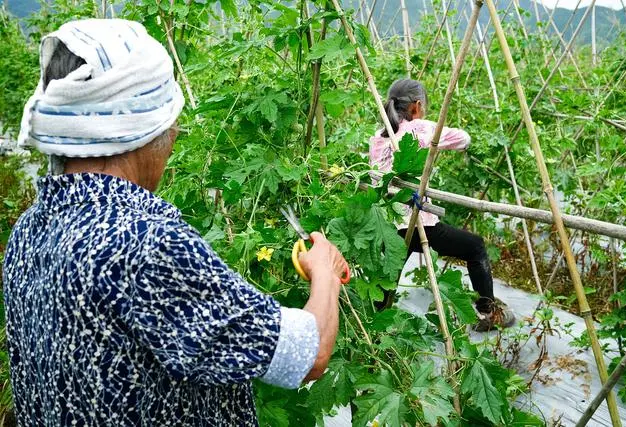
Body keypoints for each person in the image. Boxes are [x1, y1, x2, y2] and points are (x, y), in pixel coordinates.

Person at [2, 19, 347, 426]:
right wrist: (323, 274)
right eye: (171, 122)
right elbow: (307, 354)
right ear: (145, 131)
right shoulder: (146, 244)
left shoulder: (30, 230)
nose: (176, 135)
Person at [369, 78, 515, 331]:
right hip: (416, 225)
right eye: (422, 107)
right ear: (416, 107)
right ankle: (487, 311)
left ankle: (372, 330)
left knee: (387, 280)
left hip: (385, 225)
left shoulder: (379, 137)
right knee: (475, 247)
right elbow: (464, 139)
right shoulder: (421, 129)